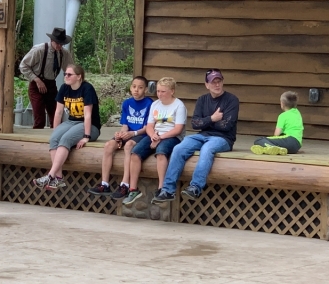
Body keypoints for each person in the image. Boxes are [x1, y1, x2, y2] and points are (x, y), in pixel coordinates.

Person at [153, 69, 239, 205]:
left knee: (207, 149)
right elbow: (194, 124)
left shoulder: (232, 100)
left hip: (223, 139)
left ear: (222, 82)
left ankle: (195, 187)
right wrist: (212, 118)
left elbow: (226, 126)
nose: (217, 85)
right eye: (213, 82)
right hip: (202, 135)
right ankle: (167, 190)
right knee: (179, 148)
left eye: (219, 81)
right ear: (207, 85)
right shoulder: (202, 100)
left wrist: (205, 122)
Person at [34, 65, 101, 191]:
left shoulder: (87, 88)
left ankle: (50, 175)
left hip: (90, 126)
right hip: (71, 122)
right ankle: (58, 179)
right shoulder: (64, 88)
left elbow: (87, 115)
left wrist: (87, 137)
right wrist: (56, 131)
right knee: (54, 139)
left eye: (69, 74)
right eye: (65, 74)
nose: (66, 76)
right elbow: (58, 112)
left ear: (79, 77)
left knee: (65, 139)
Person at [122, 77, 186, 206]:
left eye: (163, 91)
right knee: (135, 153)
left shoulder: (179, 105)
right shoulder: (155, 104)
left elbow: (178, 129)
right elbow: (150, 125)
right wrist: (153, 136)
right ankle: (133, 189)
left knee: (161, 152)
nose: (159, 94)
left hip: (172, 136)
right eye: (158, 91)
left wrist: (160, 138)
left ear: (172, 91)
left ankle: (162, 188)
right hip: (155, 135)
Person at [88, 76, 152, 200]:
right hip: (128, 133)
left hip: (140, 135)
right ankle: (104, 184)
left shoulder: (150, 103)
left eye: (140, 87)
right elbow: (125, 125)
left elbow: (147, 128)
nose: (136, 90)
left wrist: (132, 134)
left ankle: (125, 184)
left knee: (128, 146)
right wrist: (120, 134)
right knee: (108, 145)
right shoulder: (127, 103)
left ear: (146, 90)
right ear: (130, 87)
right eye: (134, 87)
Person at [19, 27, 74, 129]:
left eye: (62, 44)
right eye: (57, 43)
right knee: (39, 119)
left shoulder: (64, 53)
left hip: (51, 85)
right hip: (36, 85)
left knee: (56, 118)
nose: (59, 46)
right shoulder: (39, 50)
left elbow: (70, 69)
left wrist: (72, 84)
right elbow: (23, 66)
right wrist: (36, 79)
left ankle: (55, 140)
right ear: (52, 40)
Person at [252, 91, 304, 155]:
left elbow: (277, 134)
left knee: (259, 140)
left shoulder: (283, 116)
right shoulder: (297, 113)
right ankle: (269, 149)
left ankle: (272, 147)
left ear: (282, 104)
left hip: (289, 140)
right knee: (279, 138)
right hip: (296, 146)